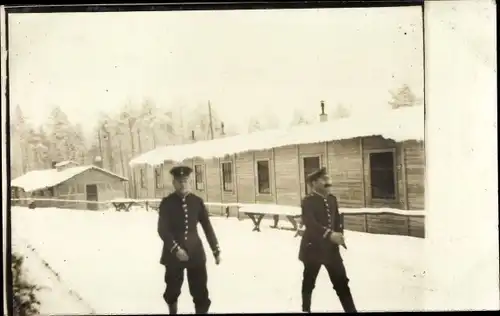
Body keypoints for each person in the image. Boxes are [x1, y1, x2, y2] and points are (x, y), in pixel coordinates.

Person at [157, 165, 221, 314]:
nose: (183, 184)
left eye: (185, 180)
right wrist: (176, 250)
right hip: (173, 255)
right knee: (172, 290)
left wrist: (215, 249)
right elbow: (162, 230)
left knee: (200, 292)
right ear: (174, 183)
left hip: (195, 254)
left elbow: (207, 227)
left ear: (190, 182)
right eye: (179, 181)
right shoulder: (167, 203)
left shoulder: (197, 202)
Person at [298, 167, 357, 313]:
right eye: (323, 179)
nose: (327, 182)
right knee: (309, 283)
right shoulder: (308, 201)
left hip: (331, 250)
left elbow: (337, 220)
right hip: (312, 249)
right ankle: (306, 310)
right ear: (313, 183)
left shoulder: (332, 199)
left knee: (342, 283)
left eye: (328, 179)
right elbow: (310, 223)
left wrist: (339, 234)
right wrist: (329, 234)